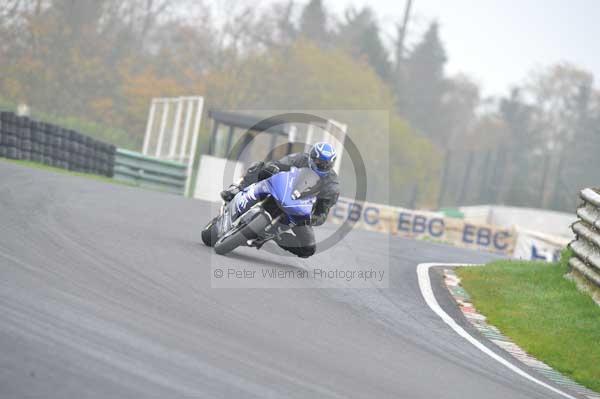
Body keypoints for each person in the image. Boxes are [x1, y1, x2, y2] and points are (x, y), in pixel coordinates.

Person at [220, 142, 340, 258]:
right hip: (283, 191)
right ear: (311, 157)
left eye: (325, 164)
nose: (321, 166)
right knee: (260, 166)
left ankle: (277, 236)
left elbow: (322, 214)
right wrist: (273, 168)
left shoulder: (332, 186)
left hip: (300, 211)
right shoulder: (300, 159)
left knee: (308, 248)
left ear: (331, 165)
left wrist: (311, 219)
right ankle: (237, 189)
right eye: (318, 162)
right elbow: (278, 165)